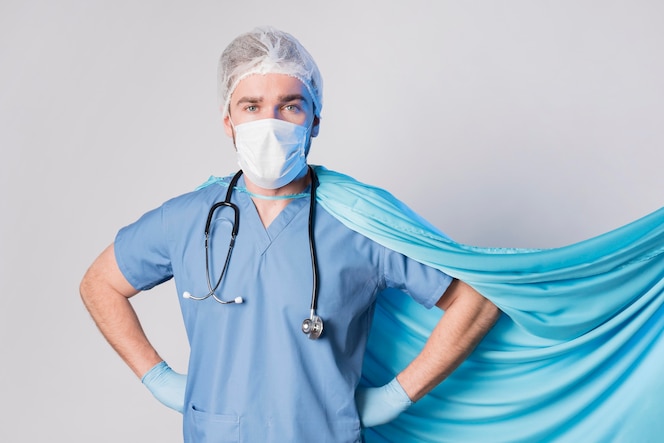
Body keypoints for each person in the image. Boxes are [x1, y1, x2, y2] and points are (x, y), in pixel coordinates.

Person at [80, 26, 500, 442]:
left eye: (290, 106)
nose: (270, 123)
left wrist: (396, 396)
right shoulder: (187, 219)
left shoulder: (360, 221)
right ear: (228, 121)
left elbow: (475, 301)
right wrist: (157, 377)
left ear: (315, 119)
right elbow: (100, 284)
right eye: (252, 106)